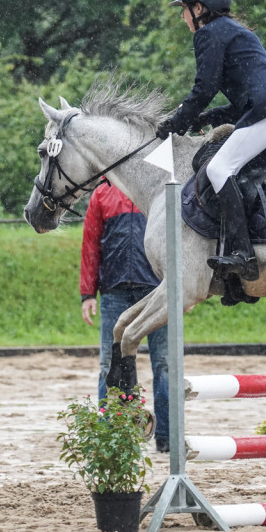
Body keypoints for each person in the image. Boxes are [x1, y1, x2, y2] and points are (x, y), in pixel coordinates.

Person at [156, 0, 266, 282]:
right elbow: (243, 97)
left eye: (184, 9)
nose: (183, 16)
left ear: (199, 9)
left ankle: (244, 255)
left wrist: (178, 122)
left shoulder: (209, 33)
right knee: (249, 175)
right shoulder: (236, 31)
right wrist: (205, 117)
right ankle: (259, 245)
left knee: (218, 169)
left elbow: (204, 87)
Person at [80, 180, 169, 452]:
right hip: (114, 293)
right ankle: (110, 432)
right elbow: (91, 245)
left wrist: (181, 290)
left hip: (157, 292)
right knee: (109, 365)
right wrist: (87, 294)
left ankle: (167, 436)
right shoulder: (102, 193)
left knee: (164, 365)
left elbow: (178, 240)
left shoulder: (158, 189)